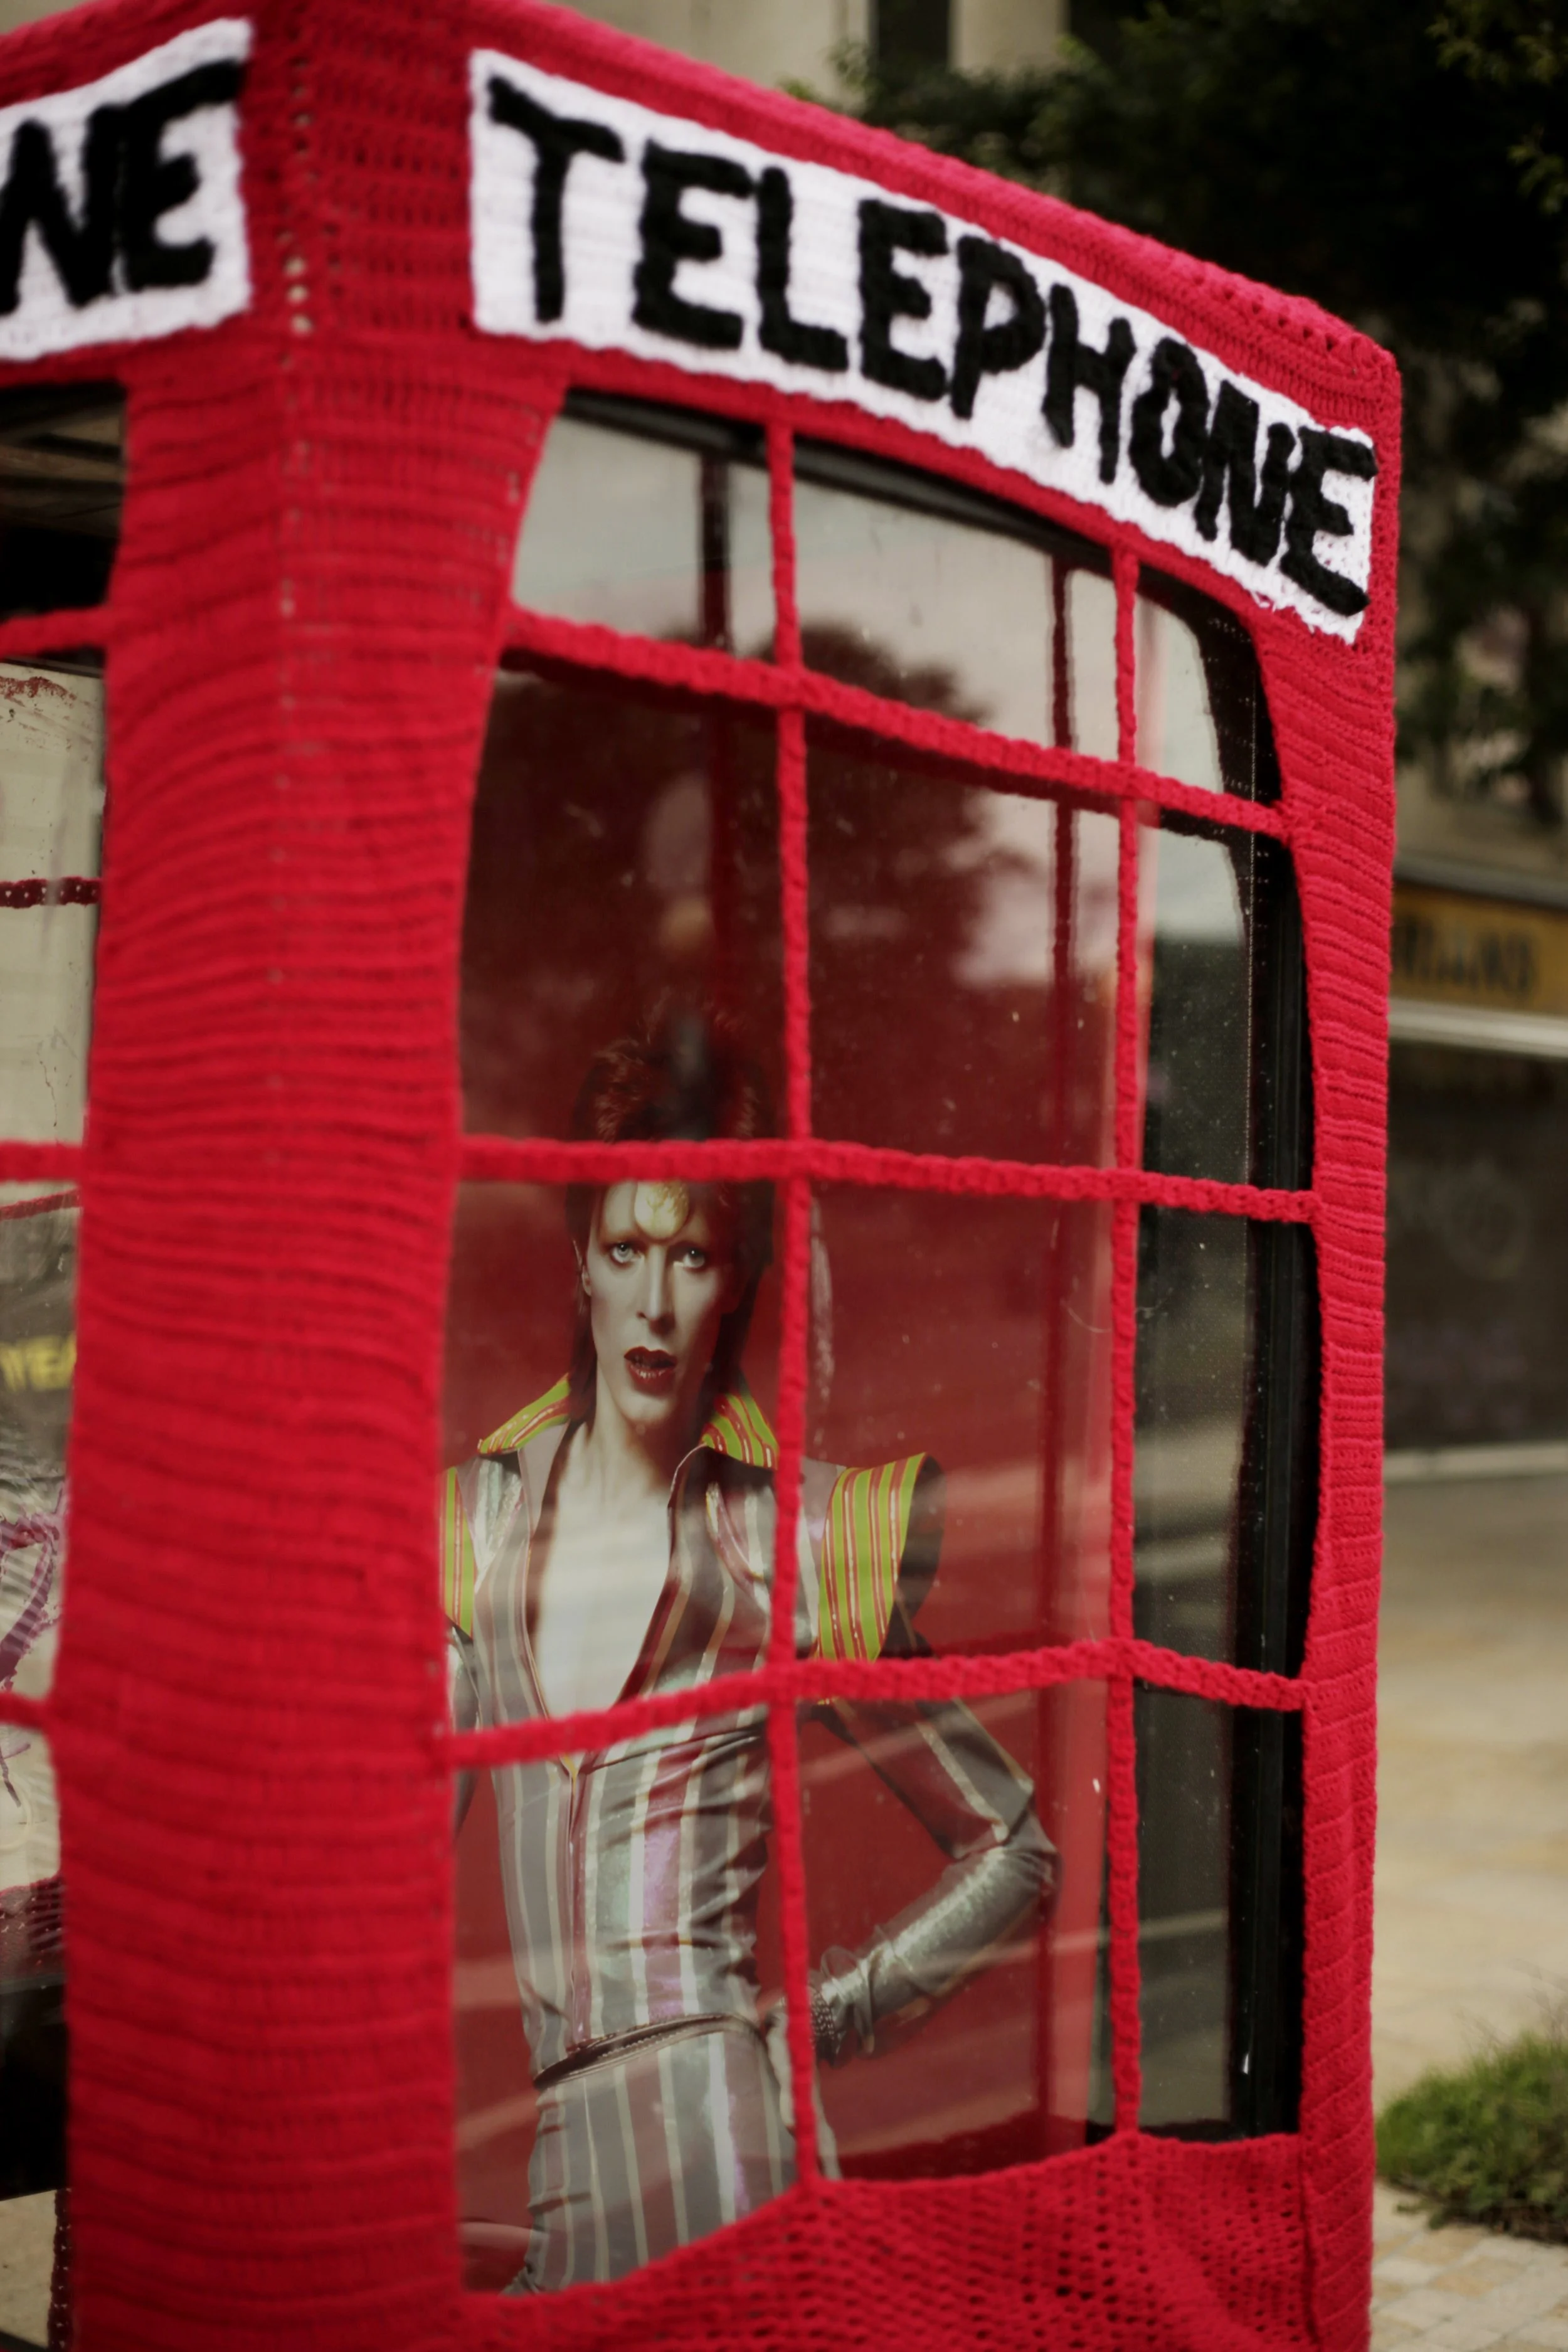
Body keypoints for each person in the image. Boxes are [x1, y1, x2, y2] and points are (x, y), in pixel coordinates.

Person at [441, 1008, 1054, 2294]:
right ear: (580, 1259)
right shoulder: (474, 1521)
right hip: (551, 2142)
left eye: (695, 1257)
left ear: (739, 1276)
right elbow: (385, 1849)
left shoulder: (795, 1538)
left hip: (723, 2127)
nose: (656, 1300)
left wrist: (829, 2013)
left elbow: (1011, 1842)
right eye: (626, 1247)